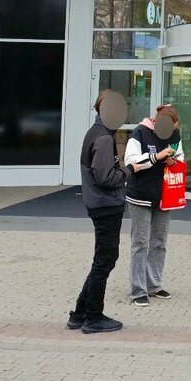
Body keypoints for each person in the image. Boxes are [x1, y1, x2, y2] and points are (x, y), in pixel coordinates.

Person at [67, 90, 127, 334]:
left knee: (103, 259)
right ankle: (93, 316)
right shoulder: (103, 138)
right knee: (105, 261)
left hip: (100, 204)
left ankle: (80, 313)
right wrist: (129, 171)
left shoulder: (96, 133)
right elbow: (105, 177)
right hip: (106, 205)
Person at [125, 105, 184, 307]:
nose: (171, 131)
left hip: (164, 196)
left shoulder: (175, 135)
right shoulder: (140, 133)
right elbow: (131, 161)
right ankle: (137, 290)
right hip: (140, 195)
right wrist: (156, 157)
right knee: (140, 243)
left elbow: (181, 156)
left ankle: (154, 285)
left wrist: (174, 160)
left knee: (159, 242)